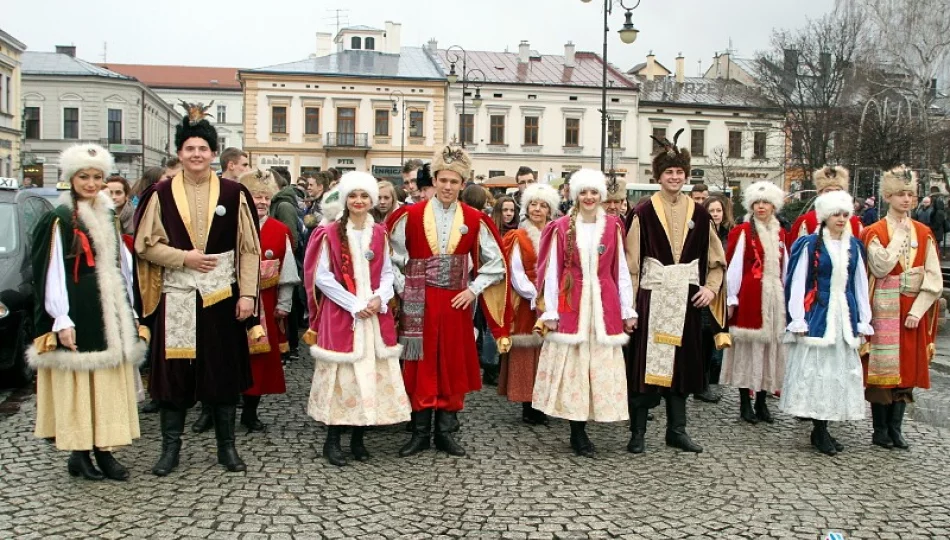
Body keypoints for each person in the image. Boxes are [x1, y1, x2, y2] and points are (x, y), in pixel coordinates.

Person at [134, 102, 262, 476]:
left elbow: (248, 248)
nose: (196, 154)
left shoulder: (233, 192)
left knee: (221, 373)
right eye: (189, 148)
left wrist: (249, 295)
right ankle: (169, 451)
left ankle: (227, 449)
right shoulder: (160, 192)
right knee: (173, 377)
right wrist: (182, 258)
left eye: (202, 149)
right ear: (179, 153)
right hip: (176, 296)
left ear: (213, 153)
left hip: (221, 298)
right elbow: (145, 245)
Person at [28, 143, 148, 481]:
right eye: (84, 176)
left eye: (97, 177)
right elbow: (51, 272)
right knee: (81, 382)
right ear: (71, 178)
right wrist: (61, 317)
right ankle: (80, 452)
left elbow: (120, 266)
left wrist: (130, 310)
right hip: (79, 307)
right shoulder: (60, 218)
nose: (92, 183)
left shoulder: (107, 214)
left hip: (109, 309)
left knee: (106, 382)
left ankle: (105, 449)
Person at [387, 144, 511, 458]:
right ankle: (419, 432)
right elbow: (391, 259)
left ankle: (446, 431)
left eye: (454, 182)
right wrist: (405, 288)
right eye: (443, 180)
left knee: (451, 362)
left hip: (456, 301)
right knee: (419, 361)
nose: (447, 186)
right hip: (420, 301)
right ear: (434, 180)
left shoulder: (475, 218)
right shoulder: (409, 215)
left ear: (462, 184)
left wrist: (473, 290)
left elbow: (495, 263)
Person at [624, 129, 728, 454]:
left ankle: (677, 430)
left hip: (685, 301)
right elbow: (630, 264)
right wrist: (629, 308)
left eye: (679, 172)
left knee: (682, 367)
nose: (674, 177)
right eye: (668, 172)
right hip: (651, 299)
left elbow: (716, 260)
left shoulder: (700, 214)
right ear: (658, 176)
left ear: (686, 175)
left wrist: (710, 290)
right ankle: (638, 432)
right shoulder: (641, 213)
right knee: (645, 368)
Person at [306, 172, 411, 466]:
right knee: (344, 379)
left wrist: (380, 297)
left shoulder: (378, 233)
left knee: (369, 377)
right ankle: (333, 441)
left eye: (364, 196)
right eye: (353, 196)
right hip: (344, 313)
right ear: (345, 199)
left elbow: (388, 272)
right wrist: (354, 304)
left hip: (373, 316)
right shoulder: (328, 233)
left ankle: (358, 439)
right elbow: (322, 277)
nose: (359, 201)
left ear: (372, 201)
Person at [533, 169, 635, 456]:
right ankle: (577, 432)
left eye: (594, 192)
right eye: (584, 192)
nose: (589, 197)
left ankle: (597, 418)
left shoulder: (613, 226)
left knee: (600, 367)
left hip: (605, 304)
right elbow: (552, 270)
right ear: (575, 195)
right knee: (575, 370)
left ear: (601, 196)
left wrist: (627, 308)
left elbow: (621, 270)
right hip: (572, 303)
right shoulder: (561, 226)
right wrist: (550, 309)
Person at [781, 190, 873, 455]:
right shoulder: (810, 244)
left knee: (837, 373)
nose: (841, 219)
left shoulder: (853, 246)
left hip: (844, 315)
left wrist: (863, 318)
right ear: (825, 216)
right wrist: (797, 317)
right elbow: (797, 282)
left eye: (845, 214)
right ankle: (819, 430)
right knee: (818, 372)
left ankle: (825, 427)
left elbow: (859, 284)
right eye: (836, 214)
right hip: (819, 313)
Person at [863, 165, 941, 450]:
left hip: (910, 308)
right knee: (882, 371)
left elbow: (932, 275)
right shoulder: (874, 231)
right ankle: (880, 429)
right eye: (900, 195)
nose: (906, 200)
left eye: (910, 194)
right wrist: (899, 234)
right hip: (883, 308)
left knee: (907, 369)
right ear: (888, 197)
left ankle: (896, 428)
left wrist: (917, 310)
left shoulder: (924, 231)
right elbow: (881, 265)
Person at [721, 181, 788, 424]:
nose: (761, 207)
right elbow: (735, 268)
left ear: (774, 206)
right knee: (748, 349)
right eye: (757, 203)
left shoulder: (780, 233)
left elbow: (786, 268)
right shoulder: (742, 231)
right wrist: (731, 298)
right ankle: (744, 402)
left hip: (773, 297)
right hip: (751, 296)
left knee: (769, 348)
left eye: (766, 203)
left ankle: (762, 400)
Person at [238, 169, 299, 431]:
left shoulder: (279, 229)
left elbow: (287, 272)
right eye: (255, 197)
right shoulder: (232, 225)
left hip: (267, 301)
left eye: (265, 197)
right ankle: (217, 410)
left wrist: (284, 304)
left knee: (260, 362)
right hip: (235, 304)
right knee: (232, 357)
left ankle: (250, 412)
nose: (261, 202)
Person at [499, 183, 560, 425]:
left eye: (542, 205)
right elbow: (514, 271)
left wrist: (552, 296)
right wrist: (534, 294)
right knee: (528, 351)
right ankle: (529, 404)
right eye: (533, 204)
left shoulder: (556, 234)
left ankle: (546, 401)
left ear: (549, 210)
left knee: (549, 351)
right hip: (528, 301)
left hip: (554, 301)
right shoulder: (518, 236)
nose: (537, 209)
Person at [694, 195, 733, 403]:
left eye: (718, 211)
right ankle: (700, 384)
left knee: (713, 341)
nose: (715, 215)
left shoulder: (728, 234)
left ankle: (707, 382)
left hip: (722, 294)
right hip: (705, 292)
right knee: (702, 339)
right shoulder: (701, 233)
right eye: (711, 211)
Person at [789, 166, 862, 243]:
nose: (833, 194)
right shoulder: (806, 221)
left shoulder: (854, 222)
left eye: (838, 190)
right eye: (828, 191)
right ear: (820, 193)